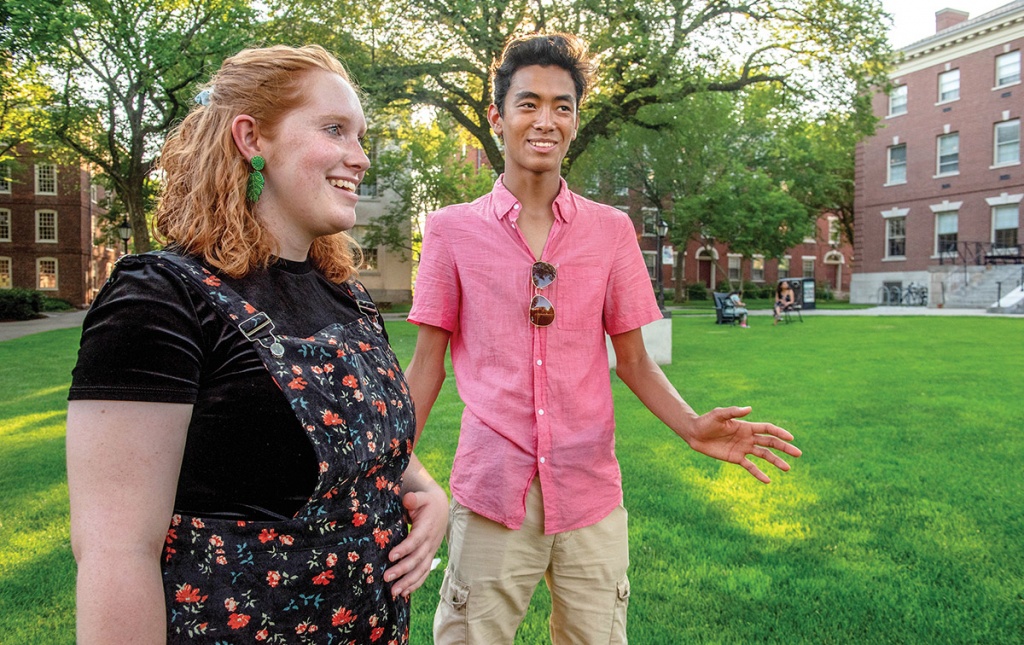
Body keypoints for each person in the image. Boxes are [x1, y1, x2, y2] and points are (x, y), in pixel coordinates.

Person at [404, 33, 801, 644]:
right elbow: (427, 365)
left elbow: (634, 359)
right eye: (529, 103)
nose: (546, 120)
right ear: (498, 117)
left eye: (563, 106)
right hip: (491, 492)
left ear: (576, 121)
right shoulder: (451, 231)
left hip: (590, 492)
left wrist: (694, 427)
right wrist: (384, 464)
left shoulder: (611, 231)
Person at [65, 45, 447, 644]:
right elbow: (116, 551)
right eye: (334, 130)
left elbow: (368, 440)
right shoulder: (160, 299)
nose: (360, 157)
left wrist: (426, 492)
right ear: (251, 138)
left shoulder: (343, 295)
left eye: (361, 136)